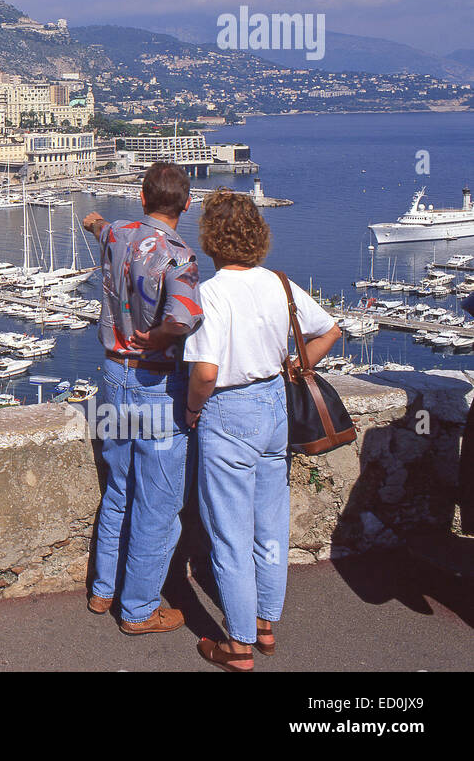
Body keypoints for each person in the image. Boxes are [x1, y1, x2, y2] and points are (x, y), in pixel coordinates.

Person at [183, 190, 341, 672]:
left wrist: (192, 411)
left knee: (230, 533)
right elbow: (330, 330)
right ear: (258, 236)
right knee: (270, 525)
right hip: (275, 407)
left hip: (229, 411)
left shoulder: (210, 293)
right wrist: (295, 367)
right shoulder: (279, 283)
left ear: (211, 238)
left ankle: (239, 645)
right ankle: (266, 624)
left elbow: (206, 372)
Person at [81, 161, 203, 635]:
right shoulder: (179, 258)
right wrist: (158, 337)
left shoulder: (119, 234)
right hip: (154, 385)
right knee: (158, 501)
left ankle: (103, 589)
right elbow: (183, 317)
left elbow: (95, 223)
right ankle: (138, 610)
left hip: (113, 378)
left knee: (118, 485)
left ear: (142, 197)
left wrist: (92, 221)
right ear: (187, 205)